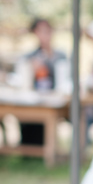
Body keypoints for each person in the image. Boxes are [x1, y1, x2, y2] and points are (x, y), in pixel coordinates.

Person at [19, 18, 67, 146]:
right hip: (34, 98)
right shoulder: (31, 56)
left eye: (47, 30)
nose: (45, 34)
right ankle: (28, 148)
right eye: (40, 31)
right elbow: (23, 79)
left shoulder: (60, 56)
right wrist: (32, 70)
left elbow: (64, 79)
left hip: (55, 98)